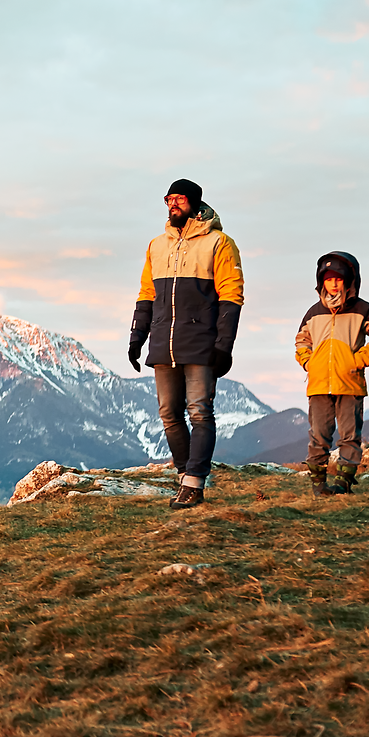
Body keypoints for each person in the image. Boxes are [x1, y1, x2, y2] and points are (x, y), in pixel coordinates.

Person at [128, 178, 244, 510]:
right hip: (164, 343)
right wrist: (137, 338)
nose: (172, 205)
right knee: (168, 413)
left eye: (179, 199)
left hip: (201, 343)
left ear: (194, 203)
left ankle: (194, 482)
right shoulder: (156, 246)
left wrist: (224, 345)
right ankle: (184, 478)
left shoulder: (219, 244)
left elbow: (231, 297)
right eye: (169, 199)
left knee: (200, 412)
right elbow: (146, 296)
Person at [294, 251, 369, 495]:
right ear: (321, 282)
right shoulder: (314, 312)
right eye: (328, 278)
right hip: (318, 384)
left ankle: (344, 483)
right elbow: (302, 341)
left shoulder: (362, 309)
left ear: (349, 280)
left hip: (350, 382)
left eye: (338, 278)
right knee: (319, 436)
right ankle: (318, 486)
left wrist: (359, 360)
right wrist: (308, 363)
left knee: (349, 436)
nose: (333, 283)